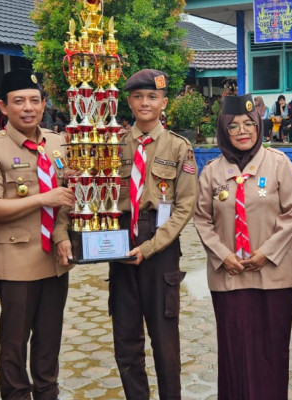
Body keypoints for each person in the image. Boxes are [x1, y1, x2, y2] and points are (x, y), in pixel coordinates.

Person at [194, 94, 292, 400]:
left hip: (276, 275)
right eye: (233, 127)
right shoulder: (212, 172)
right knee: (235, 351)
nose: (242, 131)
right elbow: (202, 219)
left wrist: (266, 253)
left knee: (271, 351)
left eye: (248, 124)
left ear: (258, 126)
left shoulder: (279, 164)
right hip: (230, 275)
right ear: (223, 131)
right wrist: (223, 255)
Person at [108, 69, 198, 399]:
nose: (145, 103)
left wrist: (150, 246)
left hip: (159, 247)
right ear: (128, 102)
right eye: (138, 96)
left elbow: (185, 207)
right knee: (126, 341)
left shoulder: (178, 147)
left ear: (164, 102)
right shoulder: (113, 145)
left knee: (165, 343)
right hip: (119, 243)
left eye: (152, 97)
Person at [0, 69, 75, 399]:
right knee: (14, 347)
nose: (28, 107)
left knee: (49, 342)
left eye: (34, 100)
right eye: (18, 101)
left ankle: (47, 394)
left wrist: (63, 234)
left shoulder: (57, 142)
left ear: (44, 104)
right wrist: (44, 197)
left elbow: (69, 197)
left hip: (55, 259)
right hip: (15, 263)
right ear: (3, 107)